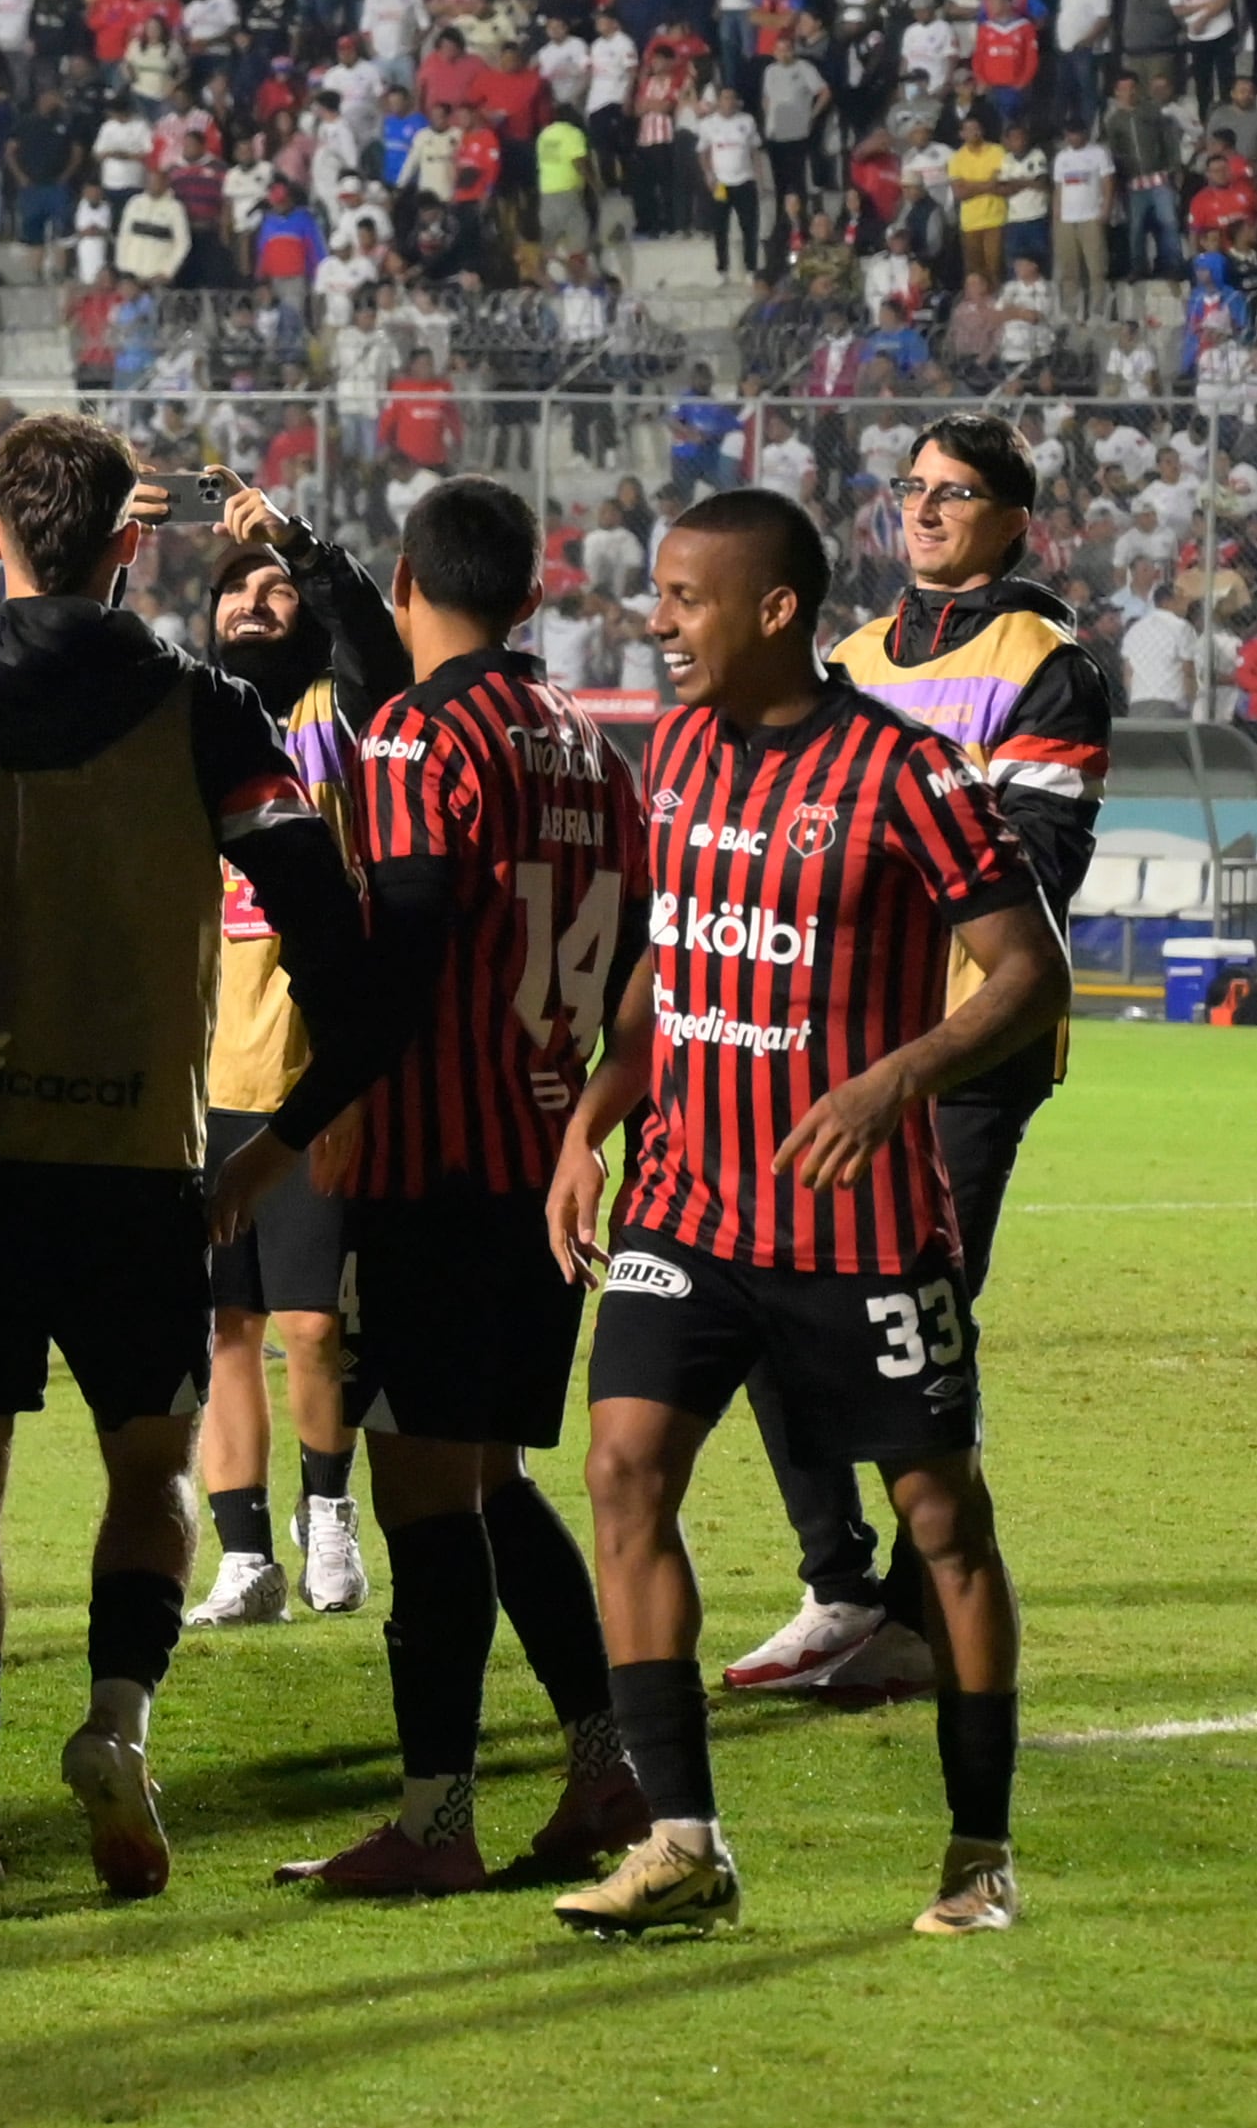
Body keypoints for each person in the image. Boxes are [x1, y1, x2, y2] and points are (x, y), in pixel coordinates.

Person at [0, 418, 368, 1898]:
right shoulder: (202, 708)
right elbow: (329, 936)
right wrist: (283, 1137)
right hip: (144, 1157)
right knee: (148, 1470)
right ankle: (114, 1724)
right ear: (126, 545)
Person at [548, 489, 1066, 1939]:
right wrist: (598, 1113)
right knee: (621, 1470)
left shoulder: (908, 775)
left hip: (860, 1228)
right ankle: (681, 1840)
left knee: (942, 1524)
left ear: (775, 610)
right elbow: (673, 963)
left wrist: (898, 1079)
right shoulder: (681, 752)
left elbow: (1027, 970)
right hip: (688, 1207)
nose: (656, 621)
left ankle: (978, 1852)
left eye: (684, 598)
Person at [218, 476, 649, 1895]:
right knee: (481, 1475)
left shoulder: (416, 737)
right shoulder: (597, 749)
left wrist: (285, 1134)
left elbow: (398, 976)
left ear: (405, 582)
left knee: (423, 1495)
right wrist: (590, 1115)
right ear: (532, 593)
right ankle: (601, 1771)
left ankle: (436, 1822)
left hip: (437, 1167)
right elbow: (648, 975)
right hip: (541, 1169)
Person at [725, 416, 1111, 1700]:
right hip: (807, 1038)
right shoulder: (838, 653)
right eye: (912, 488)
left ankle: (909, 1606)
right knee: (764, 1313)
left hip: (959, 1054)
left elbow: (1032, 872)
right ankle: (839, 1585)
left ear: (1012, 518)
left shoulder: (1045, 661)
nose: (926, 510)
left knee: (907, 1329)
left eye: (956, 493)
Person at [182, 479, 408, 1626]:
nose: (255, 602)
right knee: (225, 1329)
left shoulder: (339, 706)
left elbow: (377, 640)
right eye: (236, 590)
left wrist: (298, 545)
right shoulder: (187, 722)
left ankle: (328, 1518)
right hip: (198, 1080)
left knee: (315, 1324)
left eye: (275, 590)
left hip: (313, 1069)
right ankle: (243, 1554)